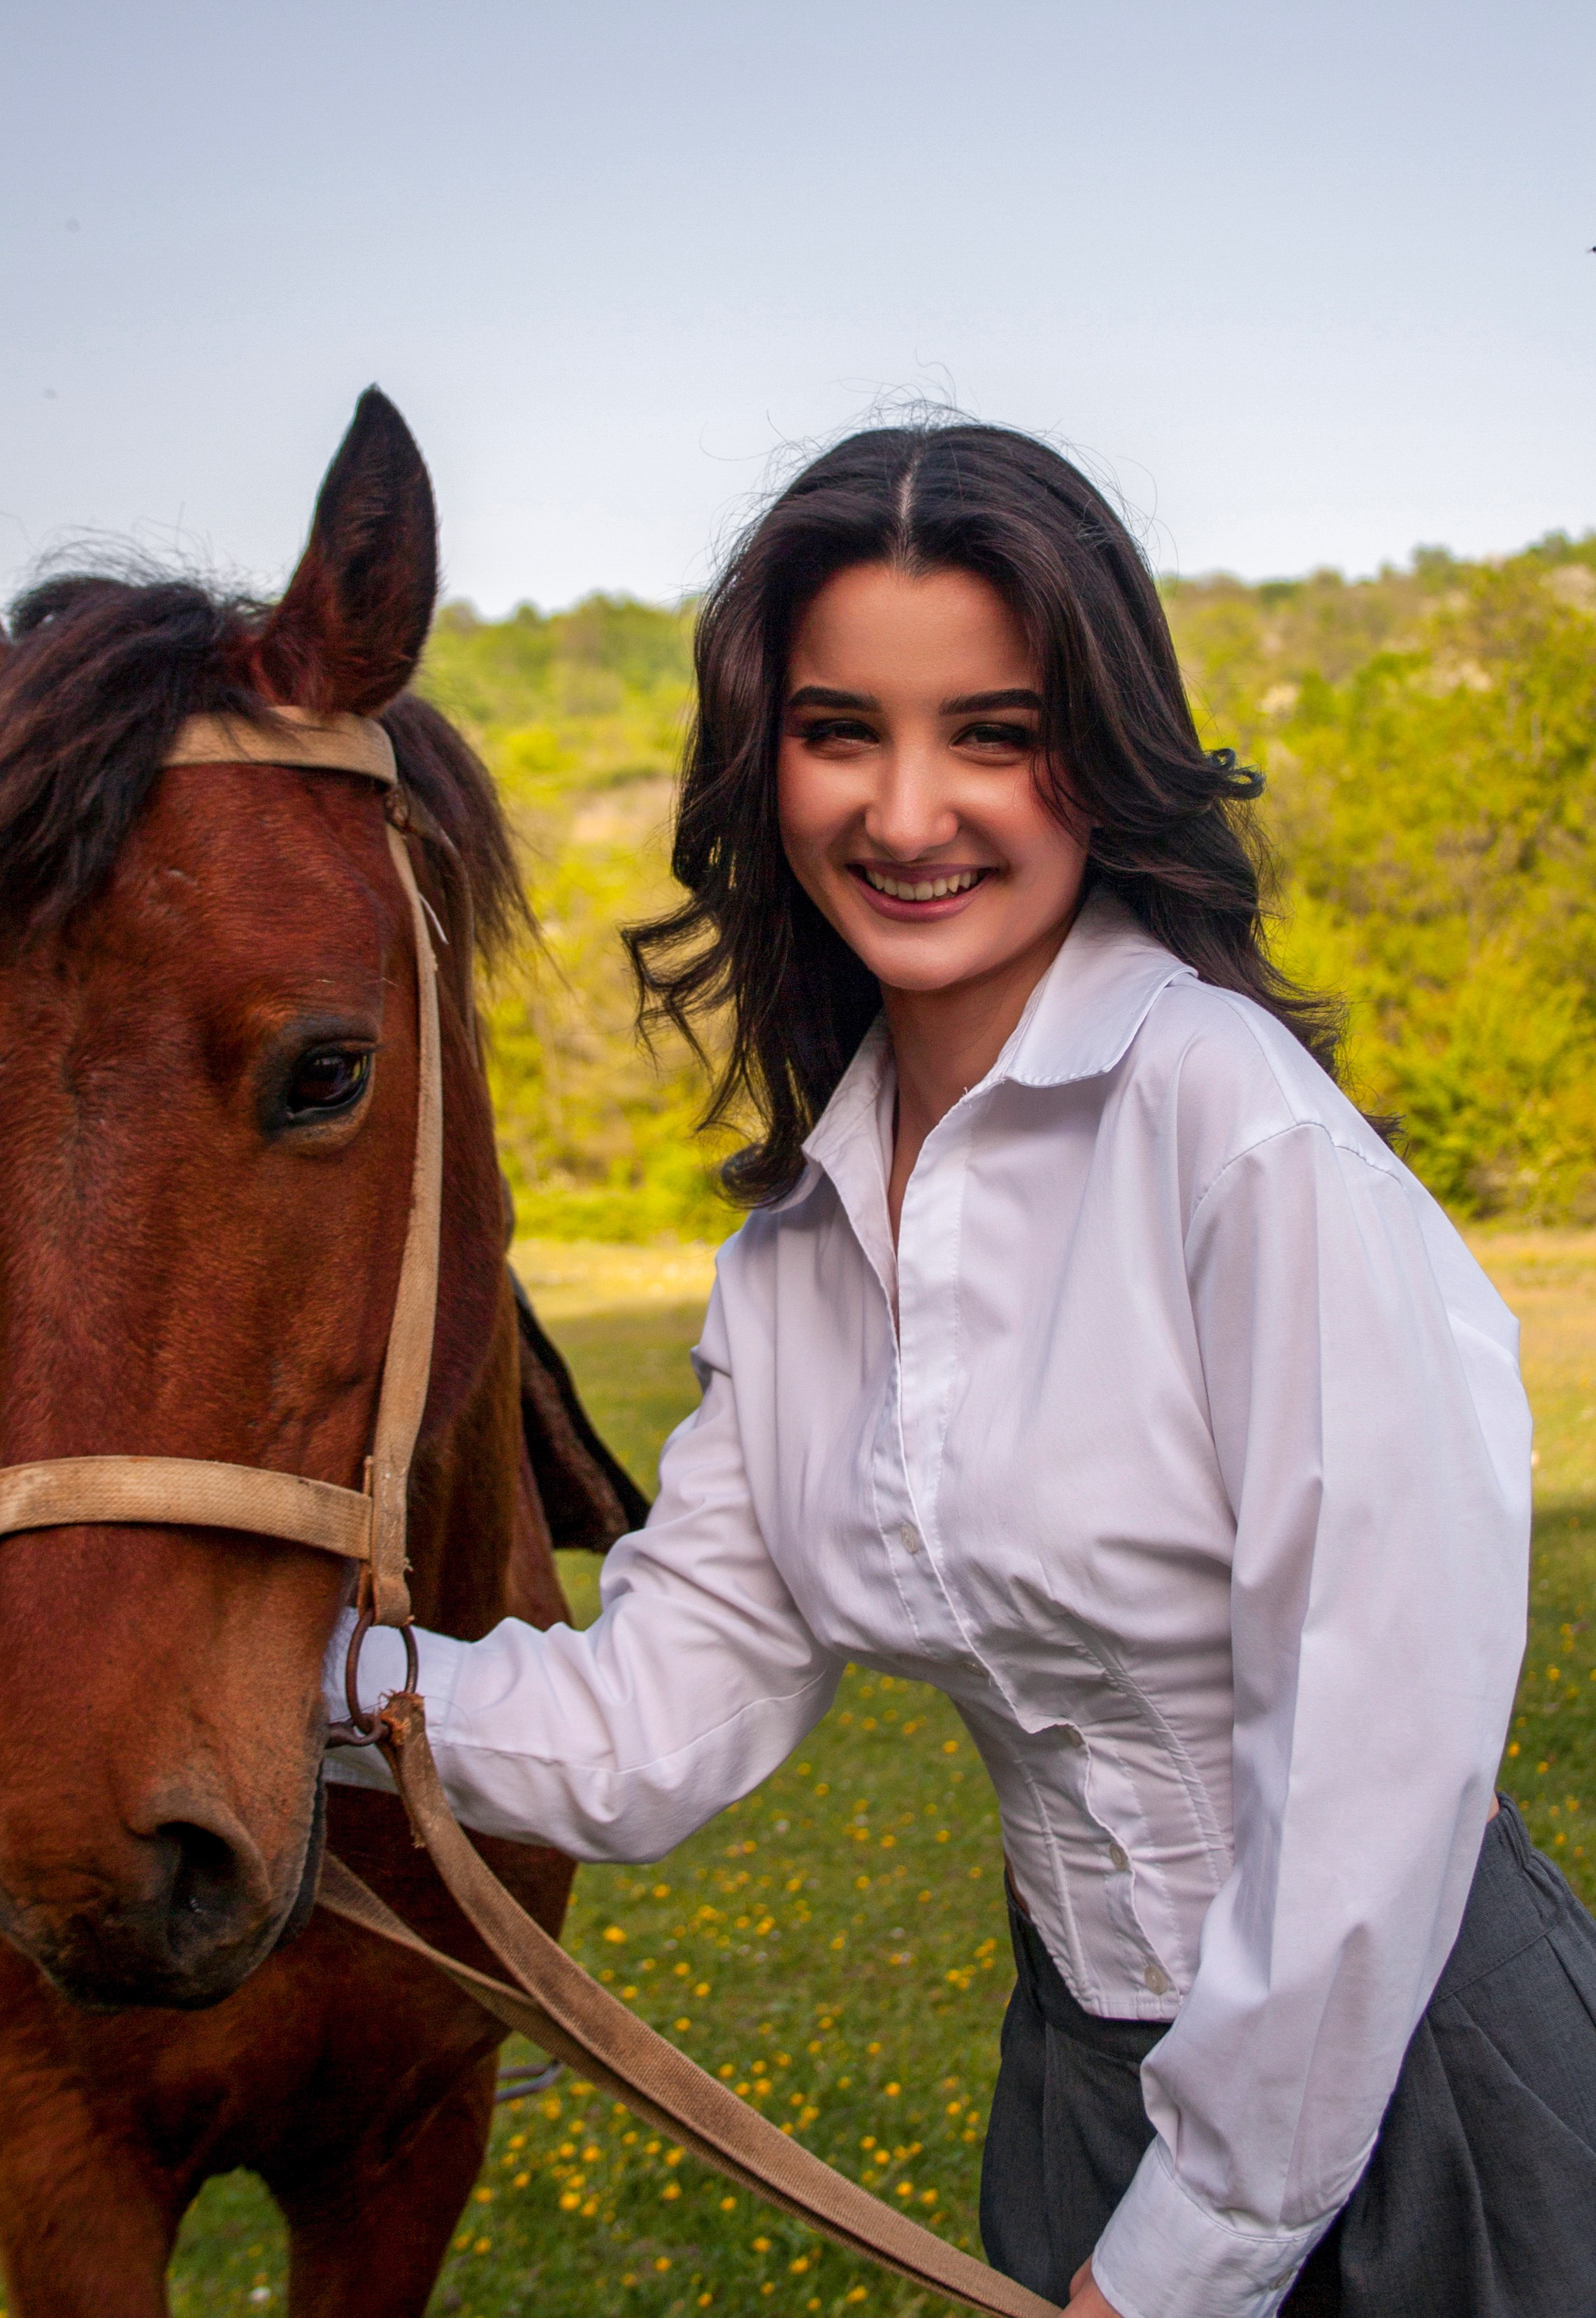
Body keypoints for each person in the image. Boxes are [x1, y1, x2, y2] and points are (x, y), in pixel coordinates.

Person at [329, 423, 1596, 2317]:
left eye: (991, 732)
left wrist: (1174, 2262)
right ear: (768, 767)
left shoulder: (1236, 1137)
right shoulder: (795, 1255)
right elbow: (656, 1720)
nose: (908, 813)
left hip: (1414, 2080)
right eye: (842, 729)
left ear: (1100, 754)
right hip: (1084, 2085)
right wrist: (262, 1675)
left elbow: (1377, 1767)